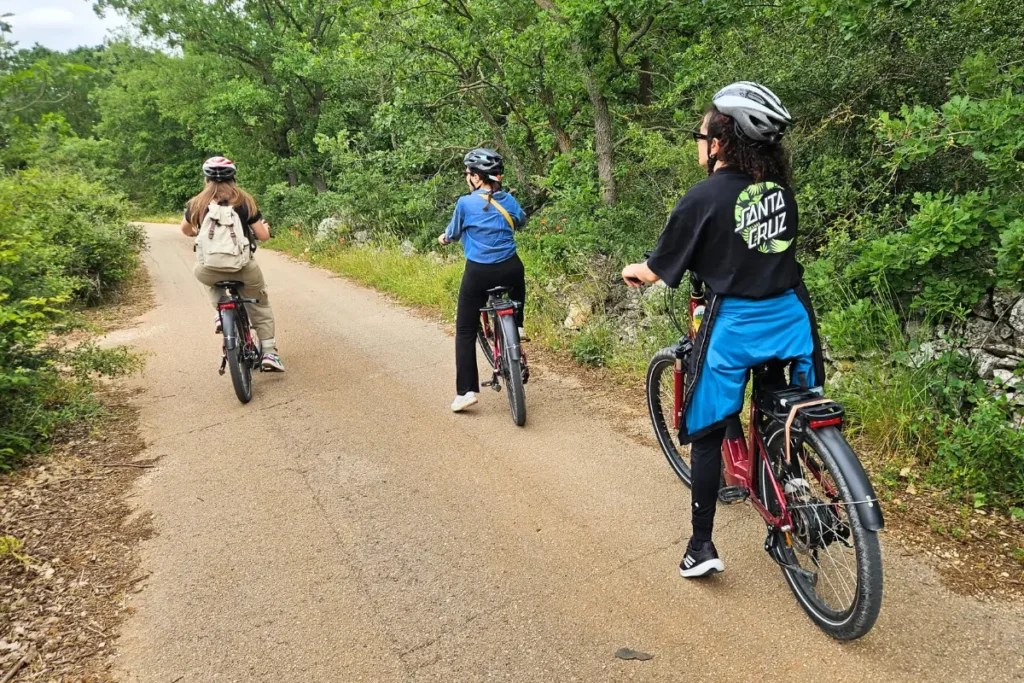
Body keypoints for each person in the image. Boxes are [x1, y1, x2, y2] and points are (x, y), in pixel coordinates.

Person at [621, 82, 825, 578]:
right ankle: (790, 503)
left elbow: (660, 266)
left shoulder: (703, 197)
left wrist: (636, 270)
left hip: (735, 327)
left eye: (701, 133)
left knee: (709, 430)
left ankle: (701, 546)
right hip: (793, 322)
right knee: (782, 414)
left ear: (719, 142)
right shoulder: (780, 193)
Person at [438, 148, 528, 412]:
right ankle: (518, 324)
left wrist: (443, 239)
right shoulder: (508, 200)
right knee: (518, 277)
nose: (466, 177)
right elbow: (520, 221)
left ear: (476, 177)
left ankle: (465, 392)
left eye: (468, 173)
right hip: (510, 269)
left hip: (479, 273)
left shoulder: (465, 204)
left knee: (465, 330)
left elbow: (453, 234)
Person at [180, 156, 285, 372]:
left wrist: (196, 232)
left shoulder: (196, 204)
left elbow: (185, 229)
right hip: (243, 267)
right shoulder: (244, 201)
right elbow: (263, 236)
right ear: (233, 177)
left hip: (209, 268)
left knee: (207, 277)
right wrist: (265, 227)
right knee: (260, 304)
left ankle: (221, 312)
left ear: (206, 179)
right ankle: (269, 353)